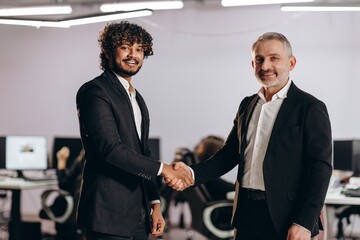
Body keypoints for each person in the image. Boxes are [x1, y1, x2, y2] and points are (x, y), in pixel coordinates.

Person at [170, 32, 333, 240]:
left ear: (291, 63)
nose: (265, 66)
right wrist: (191, 174)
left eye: (274, 58)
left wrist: (304, 221)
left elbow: (320, 168)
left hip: (286, 217)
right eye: (259, 59)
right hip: (246, 213)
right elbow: (228, 155)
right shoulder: (247, 105)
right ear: (252, 64)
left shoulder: (310, 107)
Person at [76, 21, 193, 240]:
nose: (134, 54)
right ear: (108, 51)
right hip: (107, 214)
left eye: (139, 49)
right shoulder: (94, 92)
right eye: (126, 47)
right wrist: (165, 169)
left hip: (138, 214)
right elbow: (110, 149)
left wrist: (154, 202)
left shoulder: (136, 97)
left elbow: (142, 152)